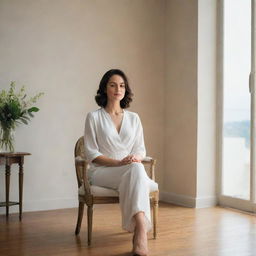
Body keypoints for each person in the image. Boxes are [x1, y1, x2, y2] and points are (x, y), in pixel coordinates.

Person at [84, 69, 158, 256]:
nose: (118, 88)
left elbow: (140, 149)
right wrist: (119, 163)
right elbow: (91, 153)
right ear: (105, 89)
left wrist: (135, 158)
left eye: (122, 85)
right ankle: (141, 229)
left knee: (135, 168)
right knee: (136, 171)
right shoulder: (94, 117)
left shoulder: (134, 118)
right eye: (113, 84)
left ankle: (139, 231)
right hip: (102, 171)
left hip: (131, 170)